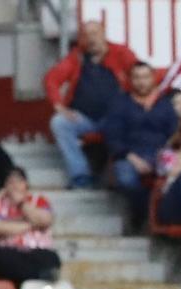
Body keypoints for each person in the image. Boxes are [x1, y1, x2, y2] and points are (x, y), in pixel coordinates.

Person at [45, 18, 139, 189]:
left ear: (103, 34)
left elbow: (140, 75)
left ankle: (116, 177)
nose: (91, 39)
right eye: (86, 35)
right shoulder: (77, 56)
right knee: (59, 123)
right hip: (84, 118)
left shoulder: (121, 53)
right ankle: (80, 175)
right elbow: (52, 78)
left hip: (115, 118)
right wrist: (58, 105)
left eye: (95, 33)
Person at [101, 62, 180, 226]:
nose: (141, 82)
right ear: (130, 80)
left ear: (153, 79)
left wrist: (164, 154)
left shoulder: (165, 104)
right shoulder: (120, 104)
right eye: (137, 77)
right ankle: (141, 214)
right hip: (129, 155)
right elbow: (113, 137)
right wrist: (133, 158)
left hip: (161, 154)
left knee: (179, 176)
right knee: (125, 178)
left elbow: (176, 135)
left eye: (145, 77)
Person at [0, 167, 61, 284]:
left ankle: (32, 275)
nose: (15, 186)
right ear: (5, 186)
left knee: (51, 259)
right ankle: (38, 275)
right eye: (10, 182)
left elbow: (45, 221)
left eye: (19, 181)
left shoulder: (39, 200)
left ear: (26, 183)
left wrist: (21, 203)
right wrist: (31, 225)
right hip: (8, 252)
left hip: (37, 251)